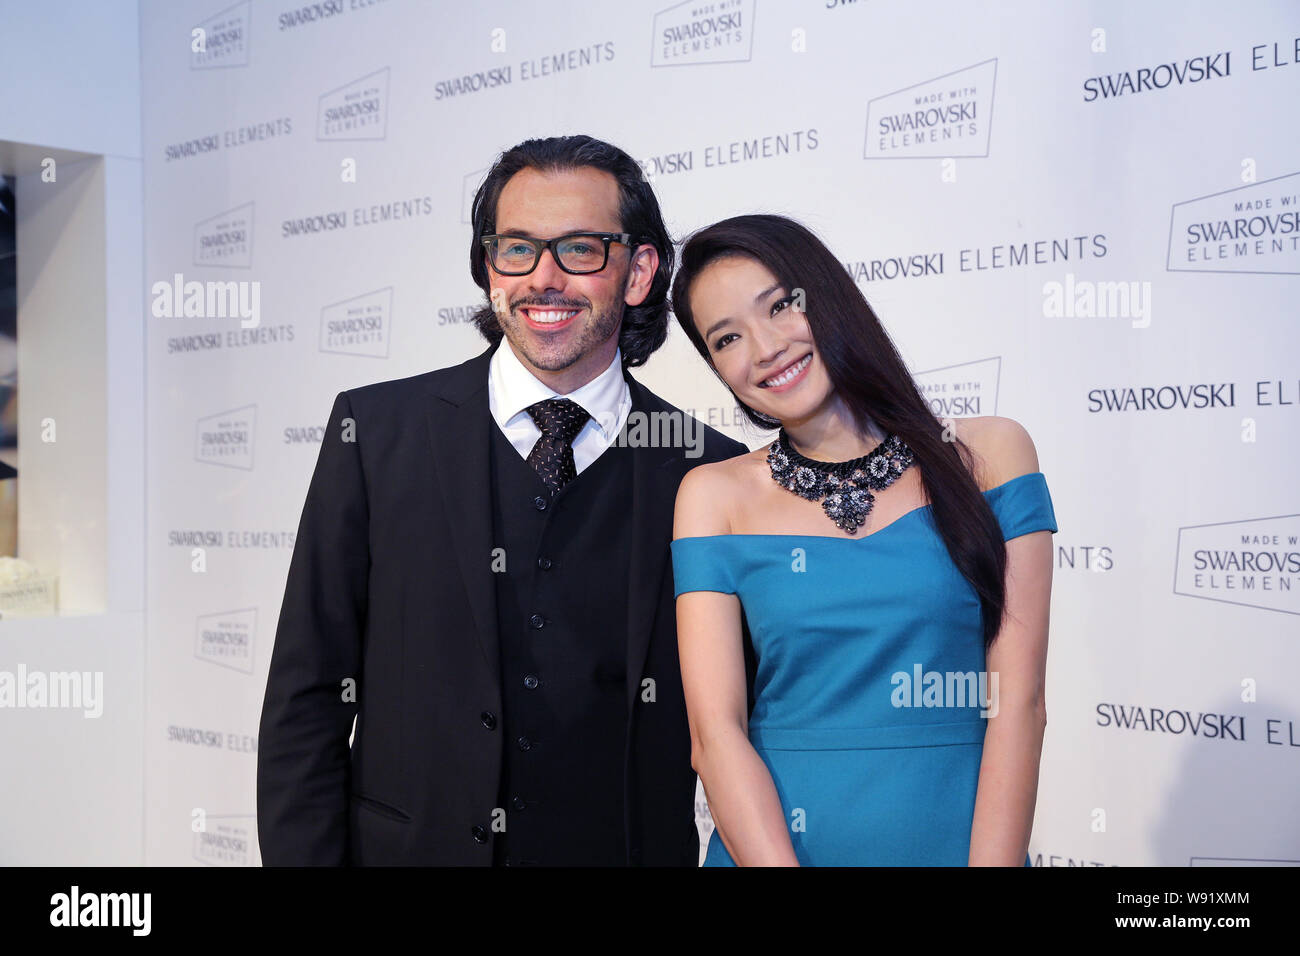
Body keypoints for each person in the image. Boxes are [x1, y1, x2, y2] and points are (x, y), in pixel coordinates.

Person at [256, 135, 747, 866]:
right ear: (490, 268)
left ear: (639, 271)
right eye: (516, 248)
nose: (543, 278)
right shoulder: (375, 433)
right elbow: (308, 697)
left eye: (580, 249)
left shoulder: (709, 470)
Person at [668, 214, 1057, 866]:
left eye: (780, 306)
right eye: (728, 337)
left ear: (829, 294)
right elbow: (716, 735)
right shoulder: (714, 497)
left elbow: (1019, 703)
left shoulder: (989, 456)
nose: (764, 348)